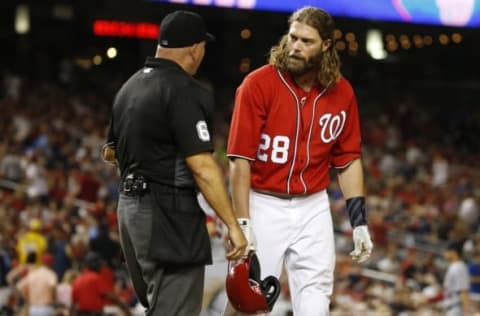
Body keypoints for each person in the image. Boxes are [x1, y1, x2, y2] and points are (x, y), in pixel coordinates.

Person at [224, 6, 373, 315]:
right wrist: (242, 221)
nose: (295, 47)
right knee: (248, 301)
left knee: (317, 296)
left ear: (326, 45)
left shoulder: (342, 92)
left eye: (306, 41)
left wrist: (359, 221)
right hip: (263, 201)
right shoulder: (258, 83)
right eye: (292, 37)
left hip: (313, 206)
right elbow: (240, 160)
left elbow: (347, 160)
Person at [102, 10, 247, 316]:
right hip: (168, 217)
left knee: (159, 306)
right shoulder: (183, 88)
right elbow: (202, 167)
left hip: (130, 213)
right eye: (203, 47)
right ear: (195, 48)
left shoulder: (129, 87)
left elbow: (110, 154)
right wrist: (232, 224)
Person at [442, 241, 471, 316]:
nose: (444, 254)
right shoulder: (453, 266)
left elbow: (463, 291)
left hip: (456, 309)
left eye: (447, 251)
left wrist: (467, 312)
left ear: (453, 252)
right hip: (450, 308)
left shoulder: (459, 267)